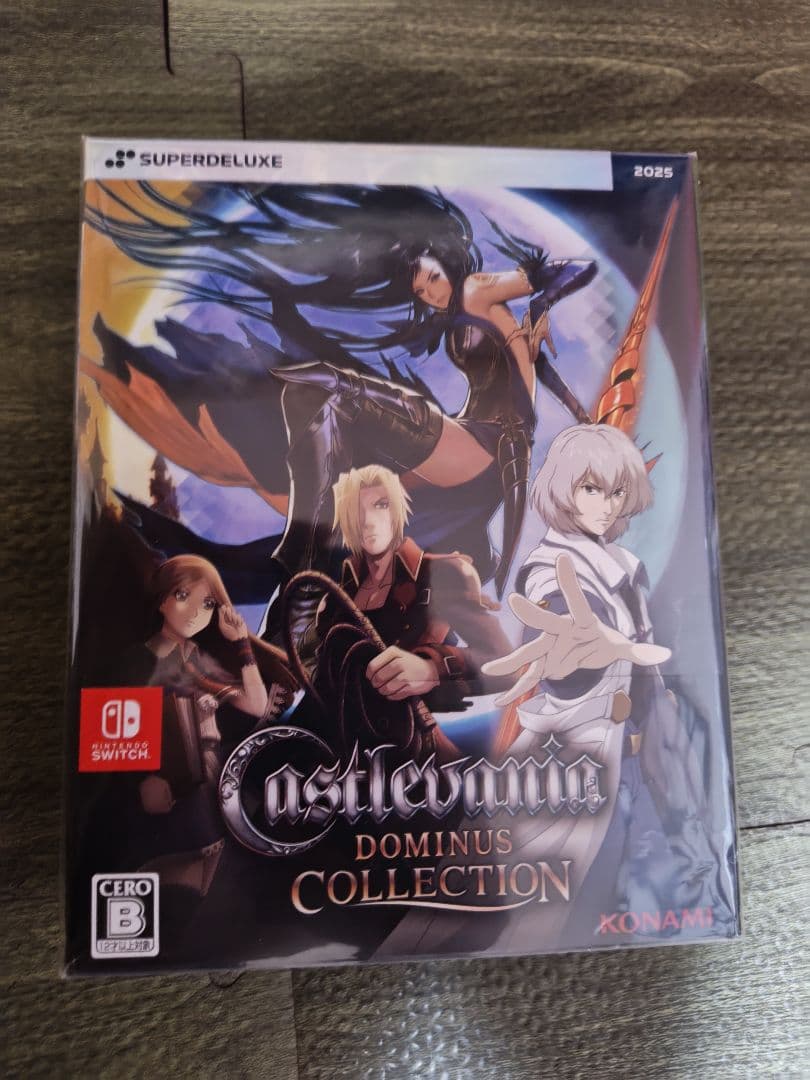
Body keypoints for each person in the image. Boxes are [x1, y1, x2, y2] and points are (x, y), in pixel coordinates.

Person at [85, 184, 596, 611]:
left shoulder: (476, 290)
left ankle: (302, 562)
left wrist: (542, 303)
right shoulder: (480, 316)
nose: (433, 293)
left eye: (432, 278)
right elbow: (529, 375)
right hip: (482, 453)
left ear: (445, 259)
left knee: (327, 389)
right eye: (422, 291)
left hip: (485, 444)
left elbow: (573, 268)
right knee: (358, 502)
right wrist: (580, 415)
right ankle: (306, 563)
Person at [115, 555, 296, 933]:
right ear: (162, 600)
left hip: (212, 772)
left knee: (227, 855)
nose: (196, 612)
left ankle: (165, 898)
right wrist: (143, 778)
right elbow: (119, 730)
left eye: (208, 603)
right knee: (218, 852)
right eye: (184, 596)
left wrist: (242, 643)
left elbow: (256, 704)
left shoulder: (198, 659)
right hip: (171, 782)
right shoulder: (139, 660)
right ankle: (151, 891)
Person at [286, 465, 514, 764]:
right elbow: (319, 684)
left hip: (409, 756)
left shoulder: (441, 573)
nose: (368, 521)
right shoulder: (335, 598)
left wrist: (431, 668)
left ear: (398, 510)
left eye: (380, 505)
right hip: (333, 760)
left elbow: (505, 664)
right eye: (356, 510)